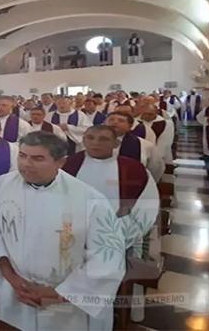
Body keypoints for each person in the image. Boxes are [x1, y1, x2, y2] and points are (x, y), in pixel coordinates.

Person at [0, 132, 125, 330]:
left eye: (37, 158)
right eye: (22, 155)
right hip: (15, 290)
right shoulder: (2, 186)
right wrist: (11, 277)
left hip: (65, 299)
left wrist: (58, 294)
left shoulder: (89, 199)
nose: (26, 164)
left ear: (60, 162)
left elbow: (108, 257)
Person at [64, 125, 159, 322]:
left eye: (103, 139)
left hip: (117, 239)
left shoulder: (133, 169)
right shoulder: (69, 165)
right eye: (90, 138)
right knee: (69, 293)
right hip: (72, 238)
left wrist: (116, 237)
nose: (95, 143)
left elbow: (146, 207)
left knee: (101, 301)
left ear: (116, 143)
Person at [105, 112, 164, 182]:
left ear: (130, 126)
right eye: (111, 120)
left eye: (121, 120)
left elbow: (156, 168)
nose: (115, 122)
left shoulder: (144, 145)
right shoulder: (92, 142)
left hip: (132, 185)